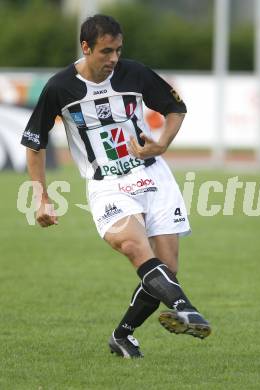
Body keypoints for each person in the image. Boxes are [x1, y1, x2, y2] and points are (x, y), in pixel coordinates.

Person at [21, 14, 211, 358]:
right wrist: (41, 197)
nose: (113, 59)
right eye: (106, 51)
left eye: (118, 50)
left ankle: (122, 335)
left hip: (153, 177)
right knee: (133, 247)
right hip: (107, 185)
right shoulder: (60, 87)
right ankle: (187, 308)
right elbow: (34, 143)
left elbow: (175, 107)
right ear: (85, 47)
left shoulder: (134, 73)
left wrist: (162, 143)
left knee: (165, 270)